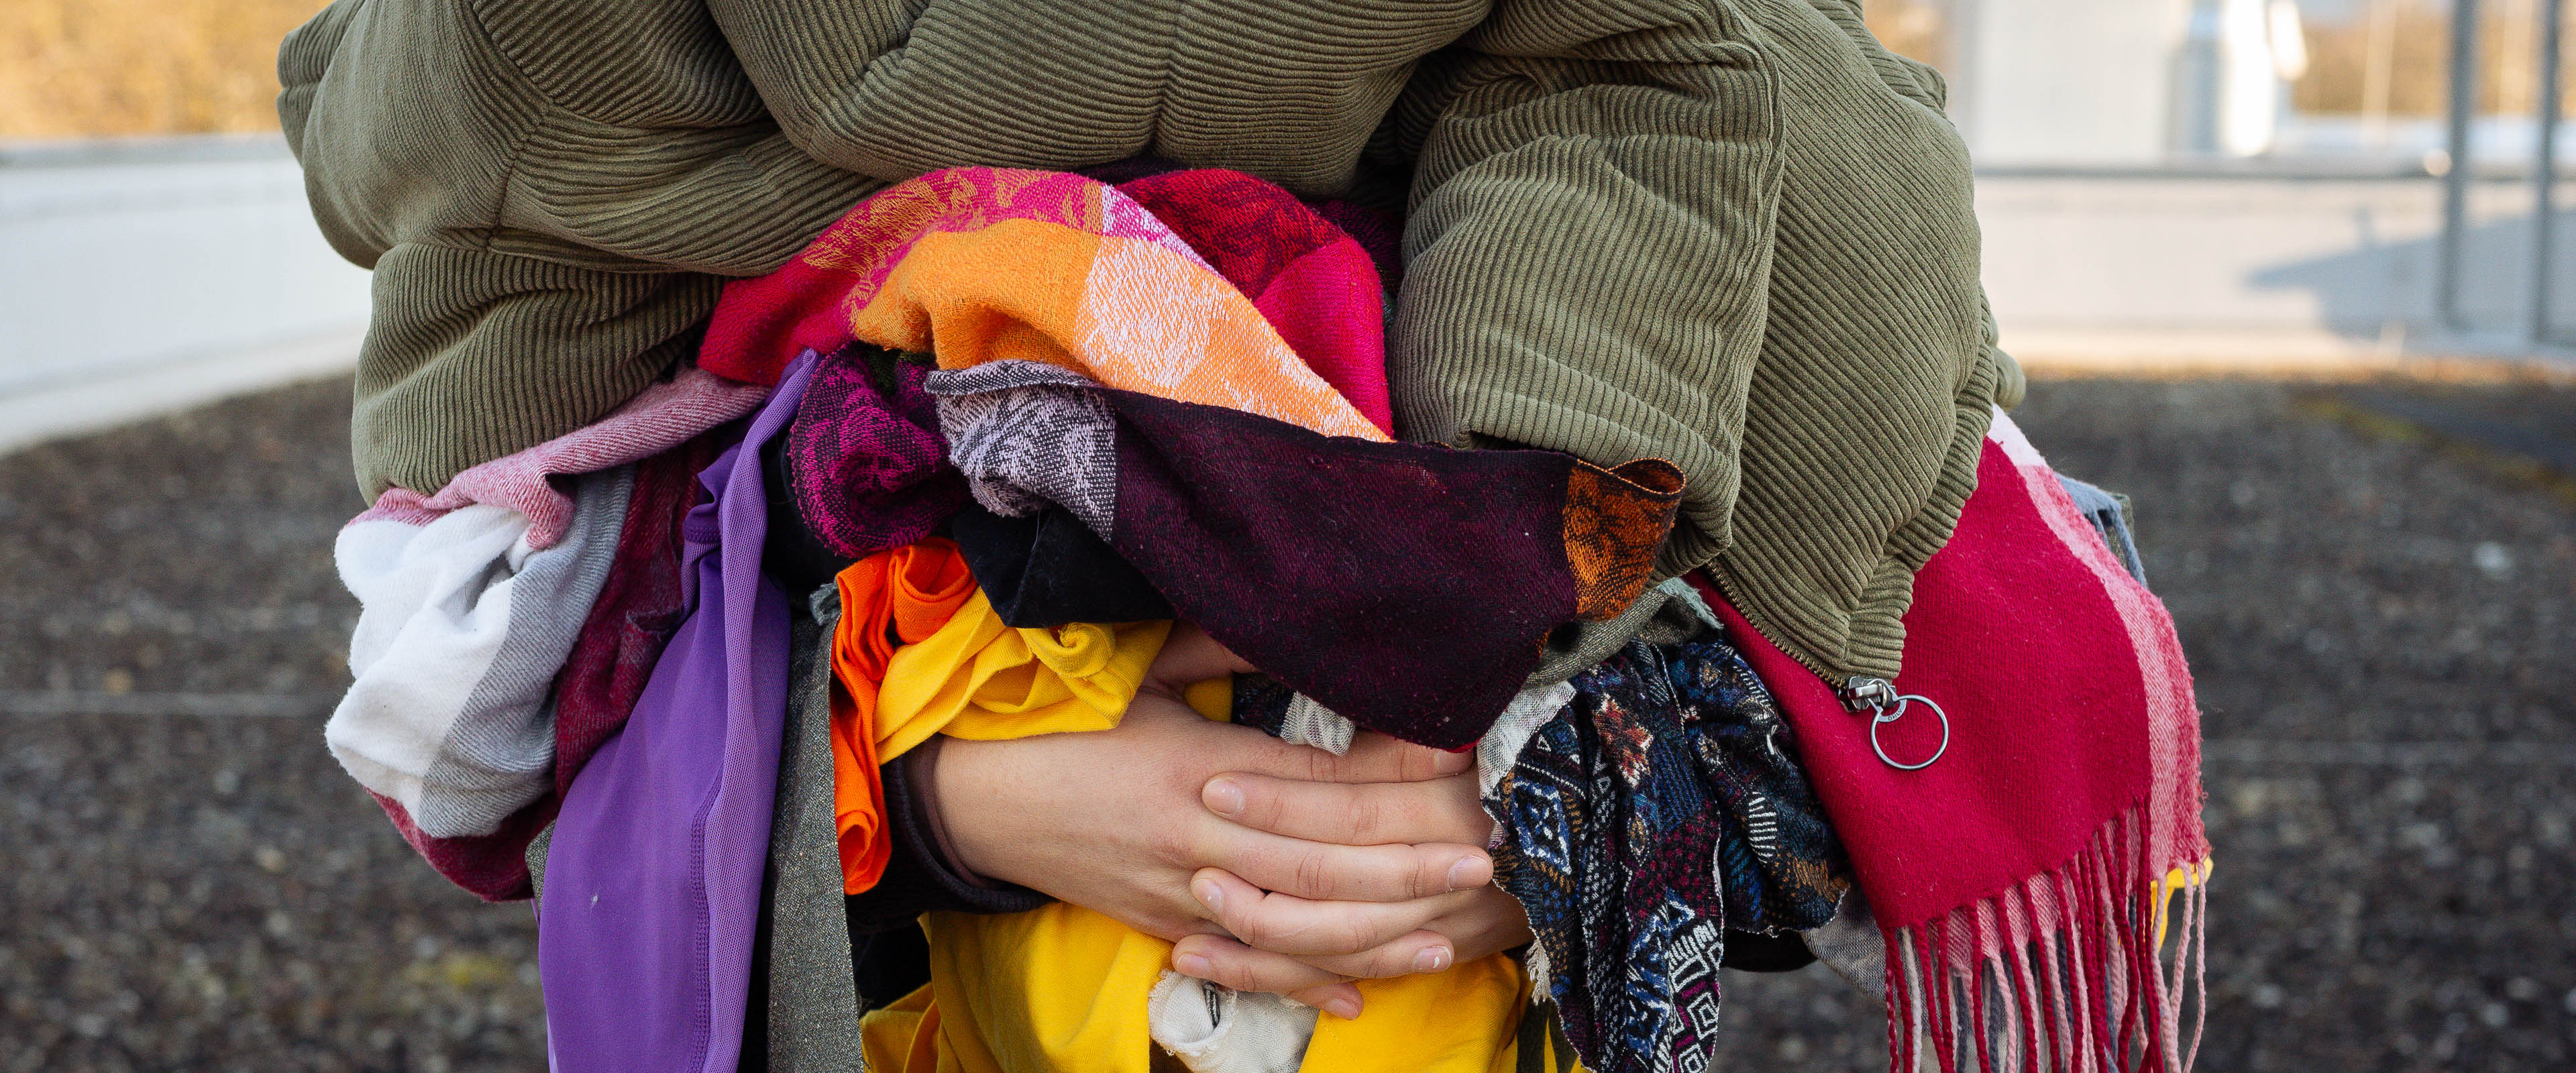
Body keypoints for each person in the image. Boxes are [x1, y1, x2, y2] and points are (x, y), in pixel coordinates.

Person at [279, 0, 2020, 1052]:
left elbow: (1848, 641)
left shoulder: (1696, 114)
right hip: (923, 986)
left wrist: (1516, 784)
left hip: (1441, 957)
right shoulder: (550, 117)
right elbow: (521, 684)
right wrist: (946, 793)